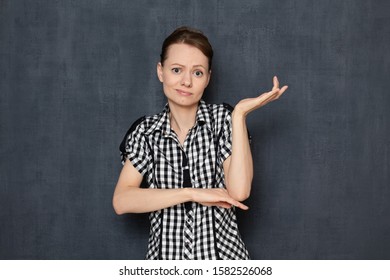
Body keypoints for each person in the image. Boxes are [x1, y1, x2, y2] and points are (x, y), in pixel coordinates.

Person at [113, 26, 288, 260]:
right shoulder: (145, 132)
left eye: (197, 73)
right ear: (160, 71)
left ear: (208, 78)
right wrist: (192, 193)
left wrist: (239, 115)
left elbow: (240, 191)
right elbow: (122, 200)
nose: (186, 81)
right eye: (176, 70)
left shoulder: (223, 120)